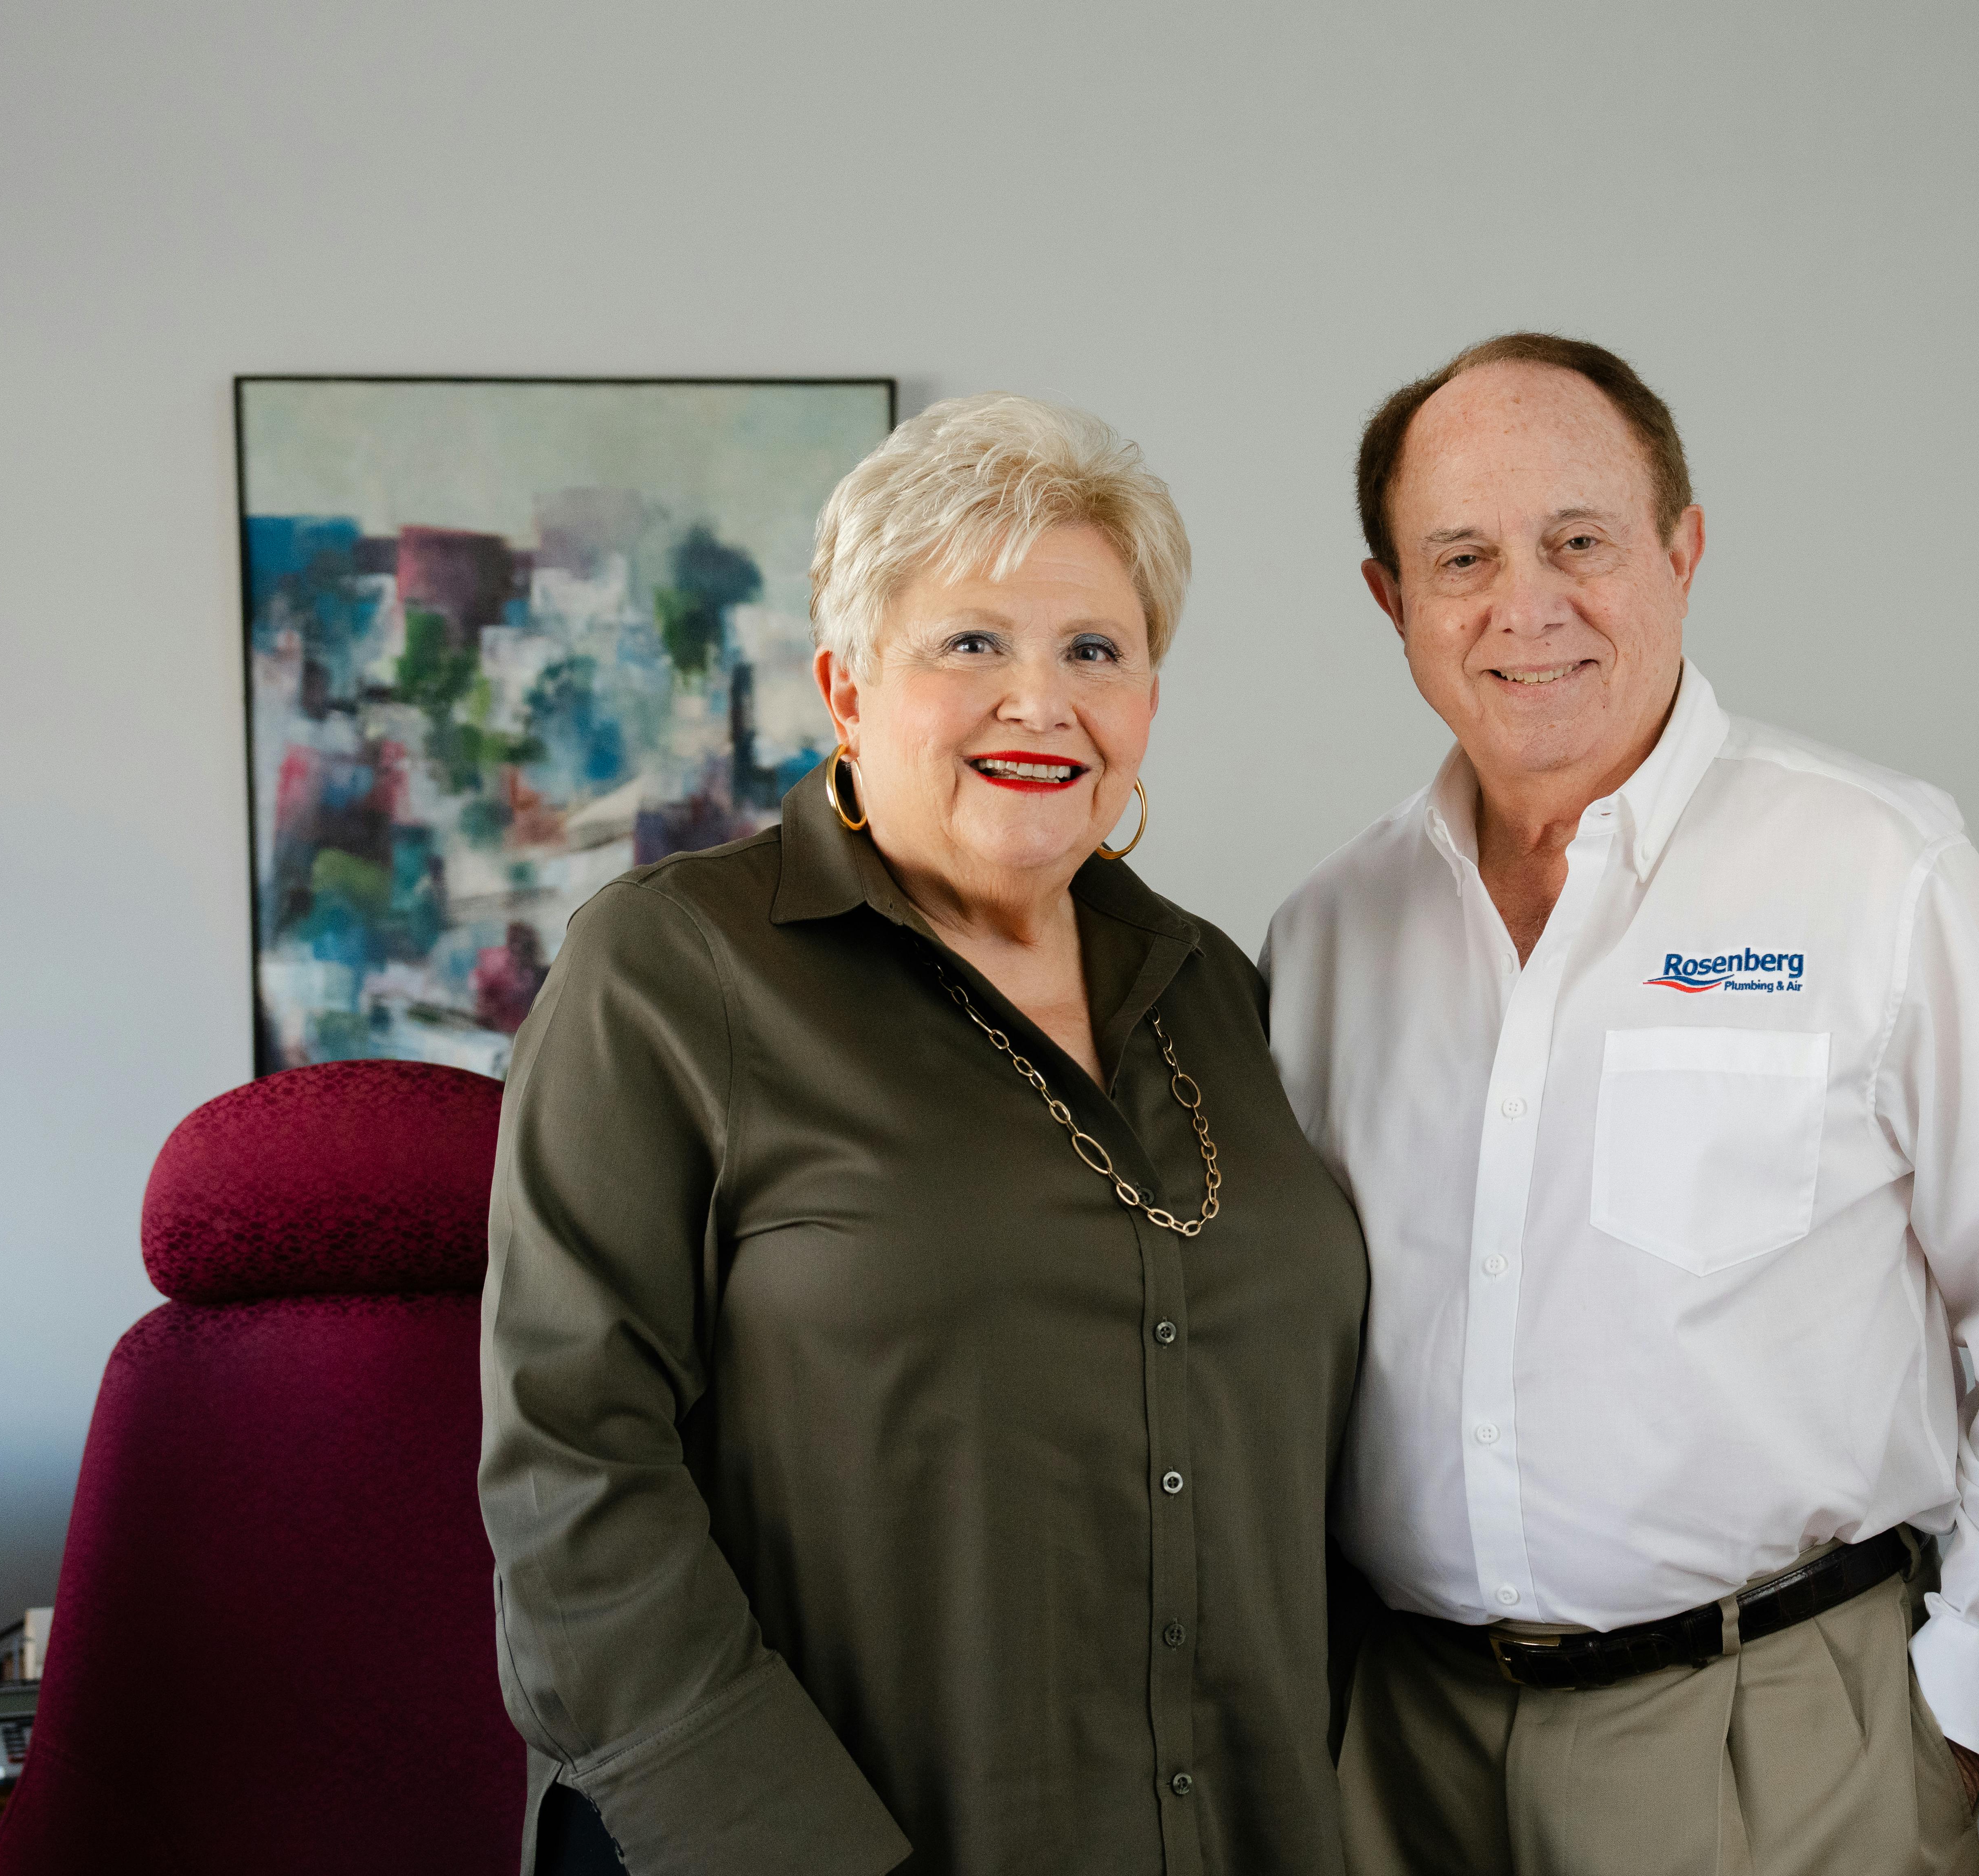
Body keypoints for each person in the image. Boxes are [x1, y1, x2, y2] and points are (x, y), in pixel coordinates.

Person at [1267, 332, 1979, 1876]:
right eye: (1462, 559)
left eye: (1579, 542)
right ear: (1391, 602)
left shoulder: (1876, 868)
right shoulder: (1330, 936)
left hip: (1779, 1738)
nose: (1527, 606)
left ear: (1683, 550)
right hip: (1403, 1751)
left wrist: (1967, 1700)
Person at [478, 393, 1370, 1874]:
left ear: (1148, 701)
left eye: (1095, 651)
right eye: (971, 644)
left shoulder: (1218, 990)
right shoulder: (675, 968)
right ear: (845, 689)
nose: (1041, 702)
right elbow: (573, 1478)